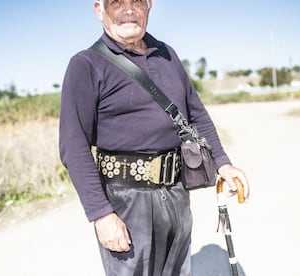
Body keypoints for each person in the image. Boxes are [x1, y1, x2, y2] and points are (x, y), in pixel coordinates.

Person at [59, 0, 250, 275]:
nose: (128, 9)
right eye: (116, 2)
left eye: (136, 1)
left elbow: (196, 115)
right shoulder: (86, 64)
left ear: (149, 6)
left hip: (176, 192)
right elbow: (73, 145)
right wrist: (101, 214)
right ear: (99, 9)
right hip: (126, 200)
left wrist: (223, 163)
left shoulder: (166, 54)